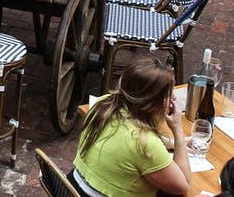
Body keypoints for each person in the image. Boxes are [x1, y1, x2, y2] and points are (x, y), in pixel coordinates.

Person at [71, 56, 190, 197]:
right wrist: (178, 130)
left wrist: (170, 143)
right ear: (151, 102)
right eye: (169, 95)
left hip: (73, 187)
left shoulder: (102, 105)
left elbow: (122, 139)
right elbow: (184, 185)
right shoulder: (144, 143)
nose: (174, 99)